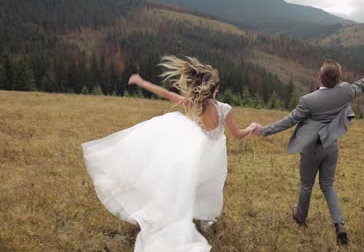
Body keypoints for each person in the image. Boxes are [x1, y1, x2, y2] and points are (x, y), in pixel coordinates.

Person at [82, 55, 257, 251]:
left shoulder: (191, 103)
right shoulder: (225, 109)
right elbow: (238, 134)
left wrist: (142, 82)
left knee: (186, 185)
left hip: (194, 155)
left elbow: (164, 93)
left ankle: (180, 214)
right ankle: (200, 217)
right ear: (215, 89)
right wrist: (251, 127)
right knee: (207, 187)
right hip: (214, 159)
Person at [253, 59, 364, 245]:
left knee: (306, 184)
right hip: (331, 147)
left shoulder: (308, 100)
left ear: (320, 78)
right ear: (339, 79)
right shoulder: (346, 90)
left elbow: (289, 120)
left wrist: (264, 130)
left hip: (312, 149)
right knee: (327, 185)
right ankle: (339, 225)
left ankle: (300, 217)